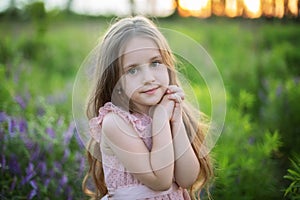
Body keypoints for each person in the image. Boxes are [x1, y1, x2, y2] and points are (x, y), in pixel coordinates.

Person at [82, 16, 213, 200]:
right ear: (116, 81)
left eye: (155, 63)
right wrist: (161, 119)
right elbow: (161, 181)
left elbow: (187, 178)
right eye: (133, 70)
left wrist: (176, 122)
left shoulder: (168, 108)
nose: (148, 77)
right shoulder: (115, 123)